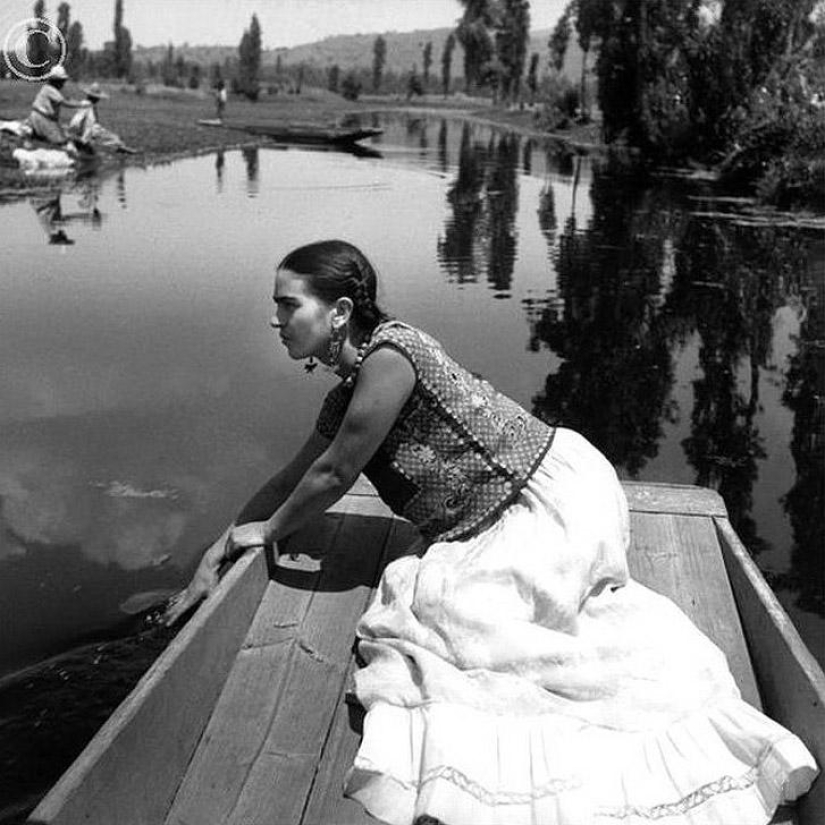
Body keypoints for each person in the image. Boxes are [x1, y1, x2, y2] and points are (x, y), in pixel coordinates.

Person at [164, 240, 817, 825]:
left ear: (338, 312)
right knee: (440, 614)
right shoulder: (346, 395)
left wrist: (270, 533)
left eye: (287, 305)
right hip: (496, 513)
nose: (275, 319)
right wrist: (218, 548)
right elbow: (295, 477)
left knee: (454, 621)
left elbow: (334, 474)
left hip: (539, 504)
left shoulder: (391, 355)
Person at [26, 65, 90, 147]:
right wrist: (81, 105)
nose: (63, 83)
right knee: (61, 141)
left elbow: (68, 99)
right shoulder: (51, 90)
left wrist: (79, 103)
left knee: (58, 134)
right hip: (43, 118)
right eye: (62, 81)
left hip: (37, 116)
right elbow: (65, 102)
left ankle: (36, 136)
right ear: (56, 81)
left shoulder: (49, 89)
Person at [67, 83, 137, 154]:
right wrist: (76, 134)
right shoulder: (86, 105)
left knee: (113, 138)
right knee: (115, 138)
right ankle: (118, 148)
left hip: (91, 131)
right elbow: (76, 121)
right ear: (96, 98)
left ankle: (117, 147)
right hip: (90, 132)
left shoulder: (88, 104)